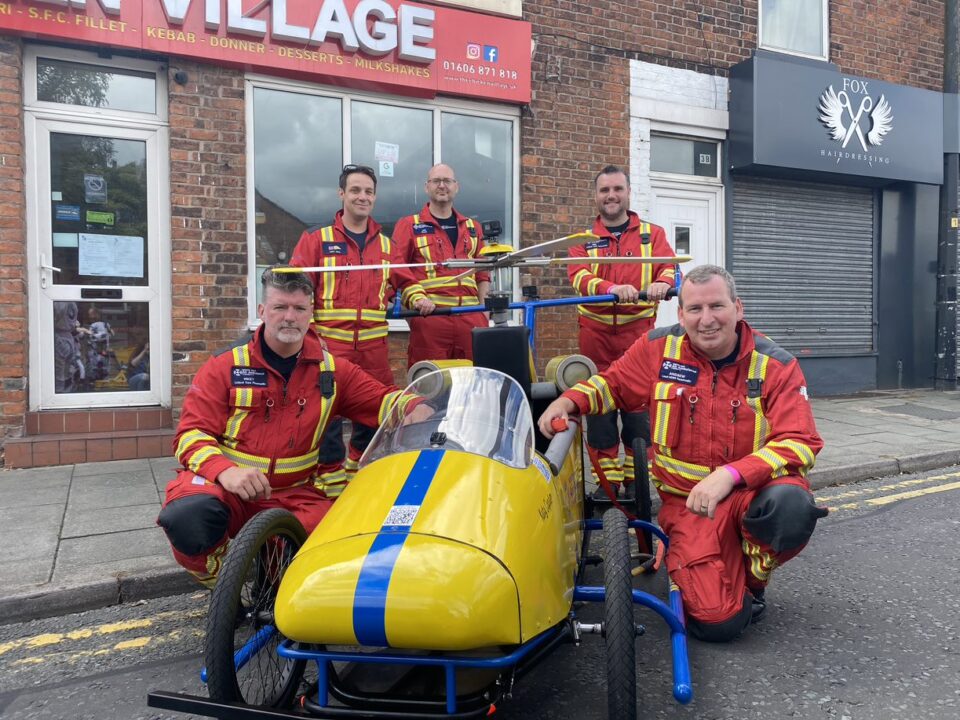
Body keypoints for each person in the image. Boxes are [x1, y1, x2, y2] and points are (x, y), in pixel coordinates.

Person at [538, 265, 827, 642]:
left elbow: (800, 441)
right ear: (680, 314)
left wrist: (730, 475)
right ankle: (719, 568)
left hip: (747, 494)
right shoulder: (659, 348)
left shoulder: (776, 364)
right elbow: (612, 385)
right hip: (690, 505)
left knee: (792, 505)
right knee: (719, 624)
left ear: (738, 308)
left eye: (717, 306)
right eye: (695, 309)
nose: (706, 320)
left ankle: (754, 583)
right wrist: (568, 401)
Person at [157, 267, 429, 587]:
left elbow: (384, 401)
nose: (290, 317)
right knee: (188, 515)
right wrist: (225, 471)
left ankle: (271, 578)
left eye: (299, 308)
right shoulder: (226, 366)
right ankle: (225, 584)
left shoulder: (332, 371)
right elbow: (189, 434)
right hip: (229, 489)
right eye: (280, 307)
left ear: (311, 313)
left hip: (295, 496)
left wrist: (417, 406)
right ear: (262, 312)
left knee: (337, 559)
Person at [291, 164, 434, 498]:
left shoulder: (387, 246)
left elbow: (407, 281)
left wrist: (420, 297)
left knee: (374, 416)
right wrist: (309, 341)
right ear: (342, 195)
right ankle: (328, 486)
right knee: (324, 419)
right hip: (328, 351)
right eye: (355, 190)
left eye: (368, 191)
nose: (362, 197)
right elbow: (298, 290)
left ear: (374, 197)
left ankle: (362, 482)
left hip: (374, 352)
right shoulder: (317, 240)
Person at [567, 165, 677, 499]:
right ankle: (607, 483)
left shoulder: (652, 234)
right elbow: (578, 277)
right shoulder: (581, 240)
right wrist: (612, 287)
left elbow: (671, 267)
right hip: (595, 337)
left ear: (628, 193)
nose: (611, 196)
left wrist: (663, 282)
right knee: (599, 410)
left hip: (638, 336)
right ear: (596, 196)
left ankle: (635, 480)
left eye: (617, 189)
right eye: (604, 190)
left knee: (638, 411)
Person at [391, 163, 490, 367]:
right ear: (427, 187)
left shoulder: (473, 227)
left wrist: (483, 312)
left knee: (473, 384)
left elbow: (482, 273)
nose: (442, 185)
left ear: (457, 186)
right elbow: (396, 269)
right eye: (436, 181)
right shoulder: (409, 225)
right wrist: (416, 308)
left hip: (471, 320)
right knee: (430, 385)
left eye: (447, 181)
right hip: (431, 320)